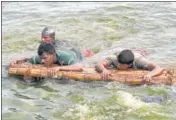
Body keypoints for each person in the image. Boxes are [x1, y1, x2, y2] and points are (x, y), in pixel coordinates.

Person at [95, 49, 163, 82]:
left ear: (129, 65)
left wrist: (149, 75)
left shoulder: (139, 61)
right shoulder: (114, 58)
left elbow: (158, 68)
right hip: (120, 52)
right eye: (118, 62)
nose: (118, 65)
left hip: (139, 53)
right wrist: (104, 70)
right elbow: (98, 64)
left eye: (121, 65)